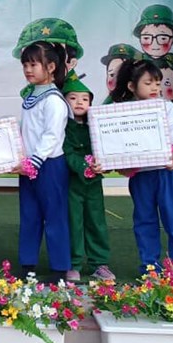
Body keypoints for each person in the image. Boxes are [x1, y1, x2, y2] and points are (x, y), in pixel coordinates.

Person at [110, 59, 173, 277]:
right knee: (144, 222)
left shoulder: (166, 106)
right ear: (132, 86)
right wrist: (118, 161)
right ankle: (150, 269)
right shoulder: (122, 111)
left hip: (167, 172)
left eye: (158, 83)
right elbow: (116, 139)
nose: (155, 88)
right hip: (141, 176)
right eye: (148, 83)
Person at [17, 42, 71, 282]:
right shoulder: (31, 95)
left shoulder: (54, 100)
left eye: (33, 64)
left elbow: (52, 135)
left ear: (50, 67)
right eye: (25, 65)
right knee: (29, 215)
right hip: (29, 166)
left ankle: (59, 268)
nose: (28, 70)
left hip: (49, 166)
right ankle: (27, 264)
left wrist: (35, 161)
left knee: (54, 216)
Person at [61, 73, 114, 282]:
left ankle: (99, 263)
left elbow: (108, 148)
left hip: (94, 184)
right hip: (71, 183)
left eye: (84, 99)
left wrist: (104, 164)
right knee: (73, 222)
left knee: (96, 222)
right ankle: (73, 264)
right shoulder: (63, 127)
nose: (79, 102)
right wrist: (84, 166)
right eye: (73, 98)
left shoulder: (97, 126)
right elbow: (67, 152)